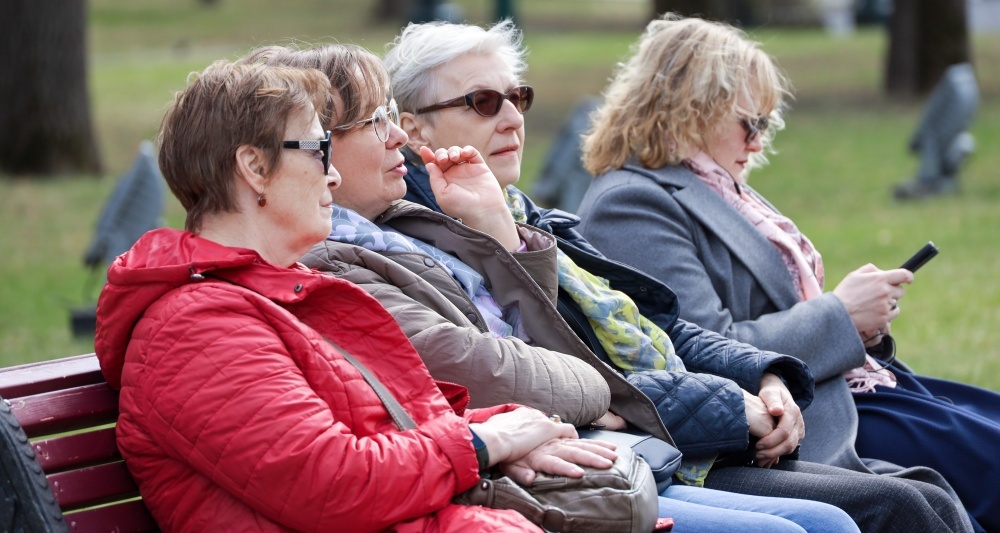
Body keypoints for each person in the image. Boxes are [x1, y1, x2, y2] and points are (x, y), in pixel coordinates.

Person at [249, 42, 874, 533]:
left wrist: (764, 373)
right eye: (483, 102)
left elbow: (645, 330)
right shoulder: (354, 253)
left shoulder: (463, 220)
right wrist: (620, 402)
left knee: (870, 507)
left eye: (518, 96)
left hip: (607, 444)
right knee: (846, 518)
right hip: (570, 462)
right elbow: (504, 365)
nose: (513, 117)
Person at [92, 58, 624, 533]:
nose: (333, 175)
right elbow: (331, 485)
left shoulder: (274, 295)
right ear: (254, 168)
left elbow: (381, 430)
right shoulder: (196, 328)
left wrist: (508, 429)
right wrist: (486, 444)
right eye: (318, 149)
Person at [573, 14, 998, 531]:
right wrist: (841, 316)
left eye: (766, 125)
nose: (758, 143)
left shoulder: (714, 185)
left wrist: (859, 327)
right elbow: (698, 347)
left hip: (843, 391)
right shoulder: (630, 204)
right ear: (689, 112)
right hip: (801, 420)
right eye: (749, 124)